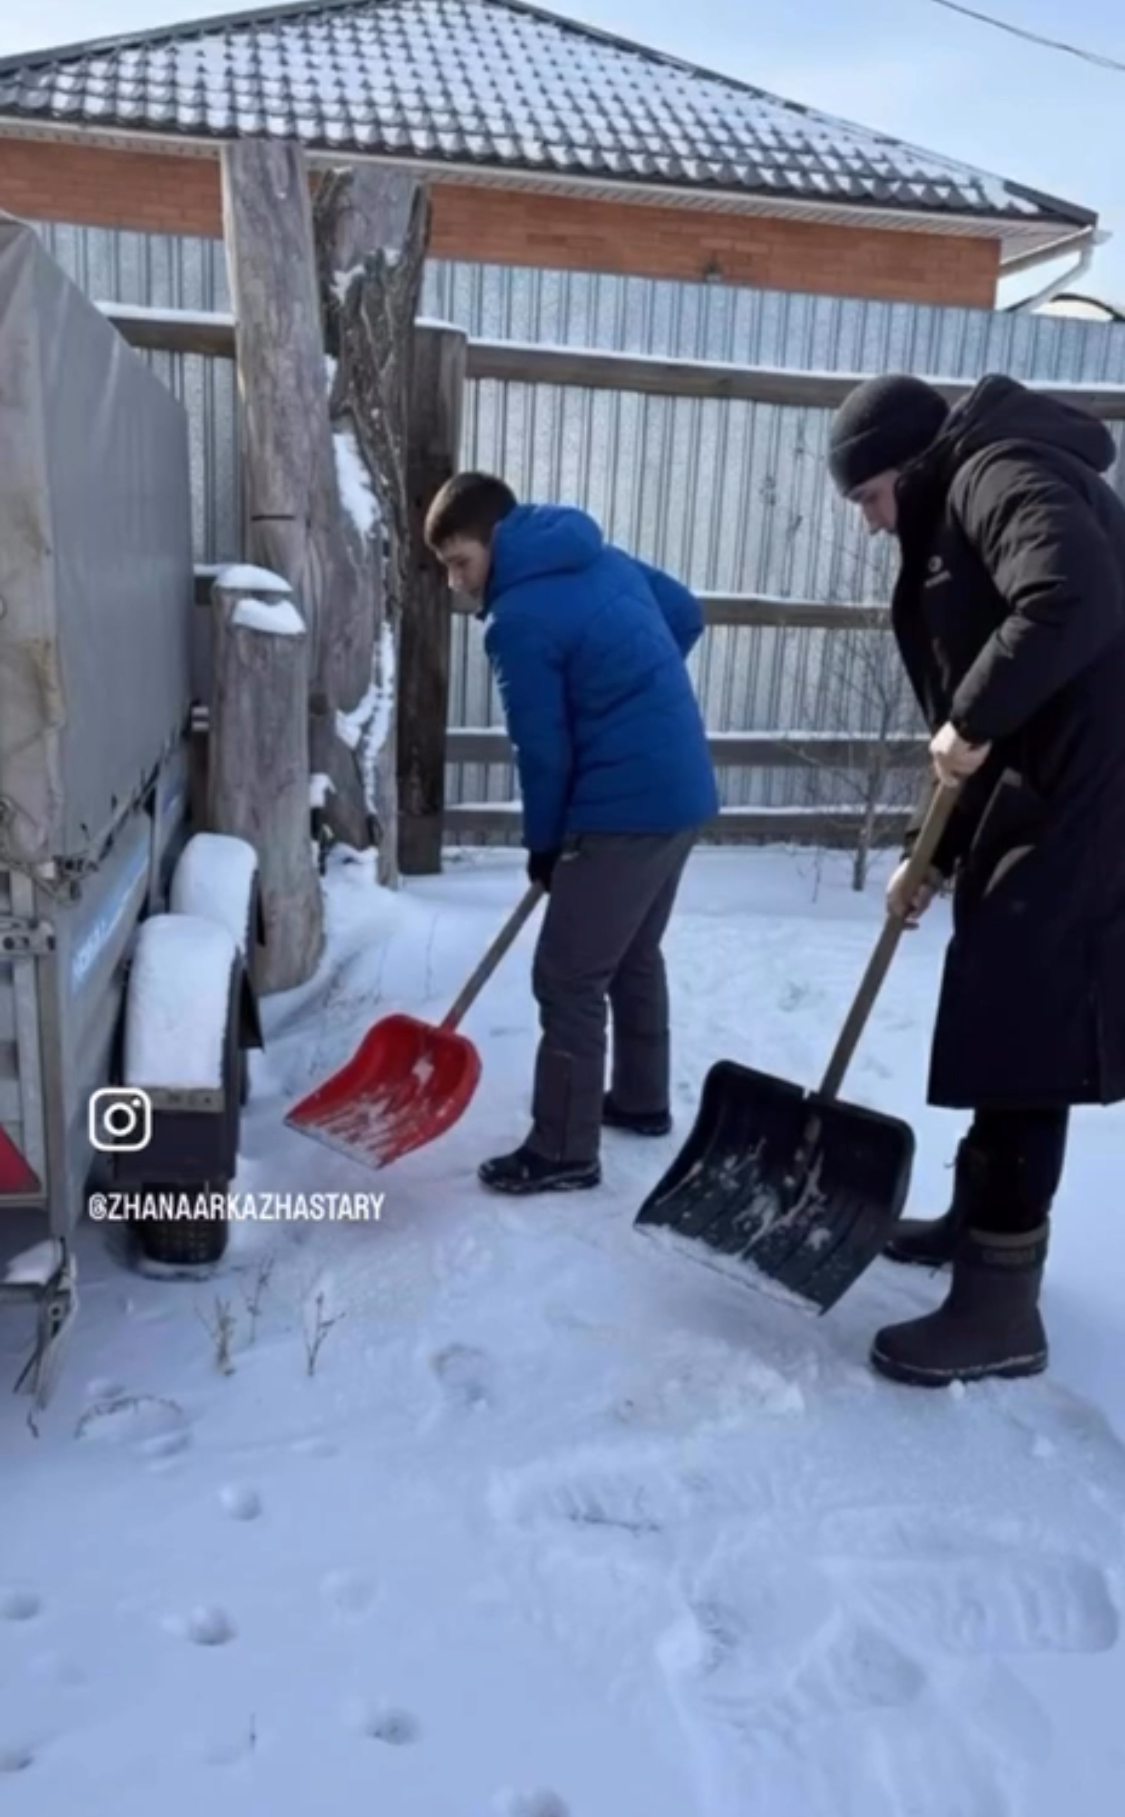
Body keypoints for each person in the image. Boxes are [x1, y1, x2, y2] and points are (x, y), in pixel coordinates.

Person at [827, 370, 1125, 1387]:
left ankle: (1002, 1309)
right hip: (1043, 793)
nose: (870, 524)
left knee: (1028, 1032)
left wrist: (975, 716)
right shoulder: (964, 496)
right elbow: (974, 727)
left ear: (910, 468)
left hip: (1089, 807)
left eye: (869, 498)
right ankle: (974, 1220)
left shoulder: (998, 468)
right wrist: (929, 854)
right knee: (1000, 1012)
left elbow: (1069, 593)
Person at [423, 473, 719, 1195]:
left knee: (567, 973)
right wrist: (633, 693)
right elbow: (684, 613)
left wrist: (546, 842)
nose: (458, 584)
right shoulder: (599, 556)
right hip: (681, 787)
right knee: (629, 952)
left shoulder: (517, 618)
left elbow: (542, 748)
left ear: (494, 538)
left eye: (460, 562)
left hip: (621, 806)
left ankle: (562, 1148)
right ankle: (641, 1100)